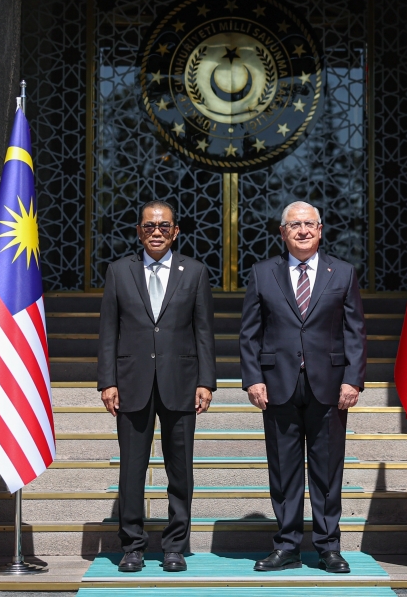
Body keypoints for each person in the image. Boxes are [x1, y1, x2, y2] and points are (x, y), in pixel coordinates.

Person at [239, 201, 367, 573]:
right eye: (294, 225)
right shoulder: (263, 273)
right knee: (284, 470)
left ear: (321, 229)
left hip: (329, 387)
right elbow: (250, 333)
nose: (303, 230)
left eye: (309, 223)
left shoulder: (342, 273)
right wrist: (253, 378)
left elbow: (354, 331)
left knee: (327, 471)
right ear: (283, 232)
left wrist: (352, 379)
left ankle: (328, 547)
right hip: (277, 386)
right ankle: (287, 546)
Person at [97, 200, 216, 572]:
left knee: (180, 470)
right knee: (132, 469)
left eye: (164, 226)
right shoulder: (119, 272)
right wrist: (108, 381)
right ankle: (132, 545)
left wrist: (206, 381)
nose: (157, 232)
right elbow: (108, 332)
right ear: (139, 231)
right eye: (149, 226)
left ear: (176, 231)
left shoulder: (194, 272)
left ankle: (175, 545)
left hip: (181, 383)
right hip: (131, 384)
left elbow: (204, 331)